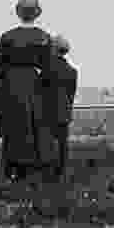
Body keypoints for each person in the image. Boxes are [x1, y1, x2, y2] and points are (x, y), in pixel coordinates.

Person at [0, 0, 55, 181]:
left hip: (10, 84)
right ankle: (29, 170)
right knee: (33, 125)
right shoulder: (44, 37)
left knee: (10, 125)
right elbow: (49, 68)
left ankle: (10, 169)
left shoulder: (7, 36)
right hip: (33, 84)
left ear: (18, 12)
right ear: (37, 13)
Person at [41, 35, 78, 180]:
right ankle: (60, 175)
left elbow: (40, 91)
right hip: (64, 113)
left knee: (47, 145)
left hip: (47, 113)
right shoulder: (72, 71)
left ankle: (47, 175)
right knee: (62, 145)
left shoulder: (48, 69)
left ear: (54, 49)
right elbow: (71, 94)